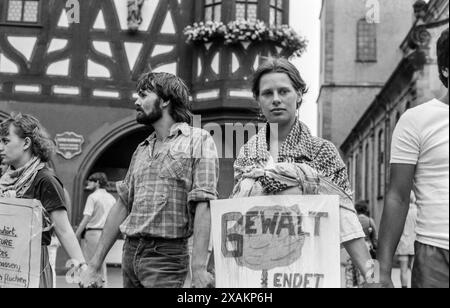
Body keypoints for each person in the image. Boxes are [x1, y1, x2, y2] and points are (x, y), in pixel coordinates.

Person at [232, 57, 374, 286]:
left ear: (298, 94)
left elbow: (346, 218)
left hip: (308, 274)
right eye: (267, 93)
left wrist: (372, 276)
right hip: (255, 276)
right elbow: (236, 217)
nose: (276, 99)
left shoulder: (322, 152)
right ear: (258, 100)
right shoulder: (248, 154)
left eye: (284, 91)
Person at [80, 72, 219, 288]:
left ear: (164, 100)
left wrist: (199, 268)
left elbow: (204, 203)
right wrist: (94, 264)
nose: (137, 101)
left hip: (166, 257)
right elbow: (123, 204)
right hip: (130, 251)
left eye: (144, 95)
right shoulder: (141, 149)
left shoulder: (199, 140)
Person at [376, 28, 449, 288]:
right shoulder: (415, 120)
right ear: (445, 70)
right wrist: (381, 273)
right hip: (436, 254)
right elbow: (397, 196)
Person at [0, 113, 86, 288]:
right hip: (6, 260)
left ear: (26, 143)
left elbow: (64, 230)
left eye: (5, 141)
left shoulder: (44, 179)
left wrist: (82, 269)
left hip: (31, 265)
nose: (0, 147)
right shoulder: (5, 178)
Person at [75, 172, 116, 287]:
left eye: (91, 180)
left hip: (93, 233)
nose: (89, 183)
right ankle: (103, 285)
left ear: (97, 182)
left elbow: (86, 218)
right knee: (102, 264)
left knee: (91, 264)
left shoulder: (93, 197)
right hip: (106, 234)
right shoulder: (112, 198)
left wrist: (76, 235)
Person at [395, 192, 418, 289]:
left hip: (403, 243)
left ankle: (404, 287)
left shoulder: (401, 211)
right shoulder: (417, 211)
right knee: (414, 269)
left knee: (403, 269)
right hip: (414, 243)